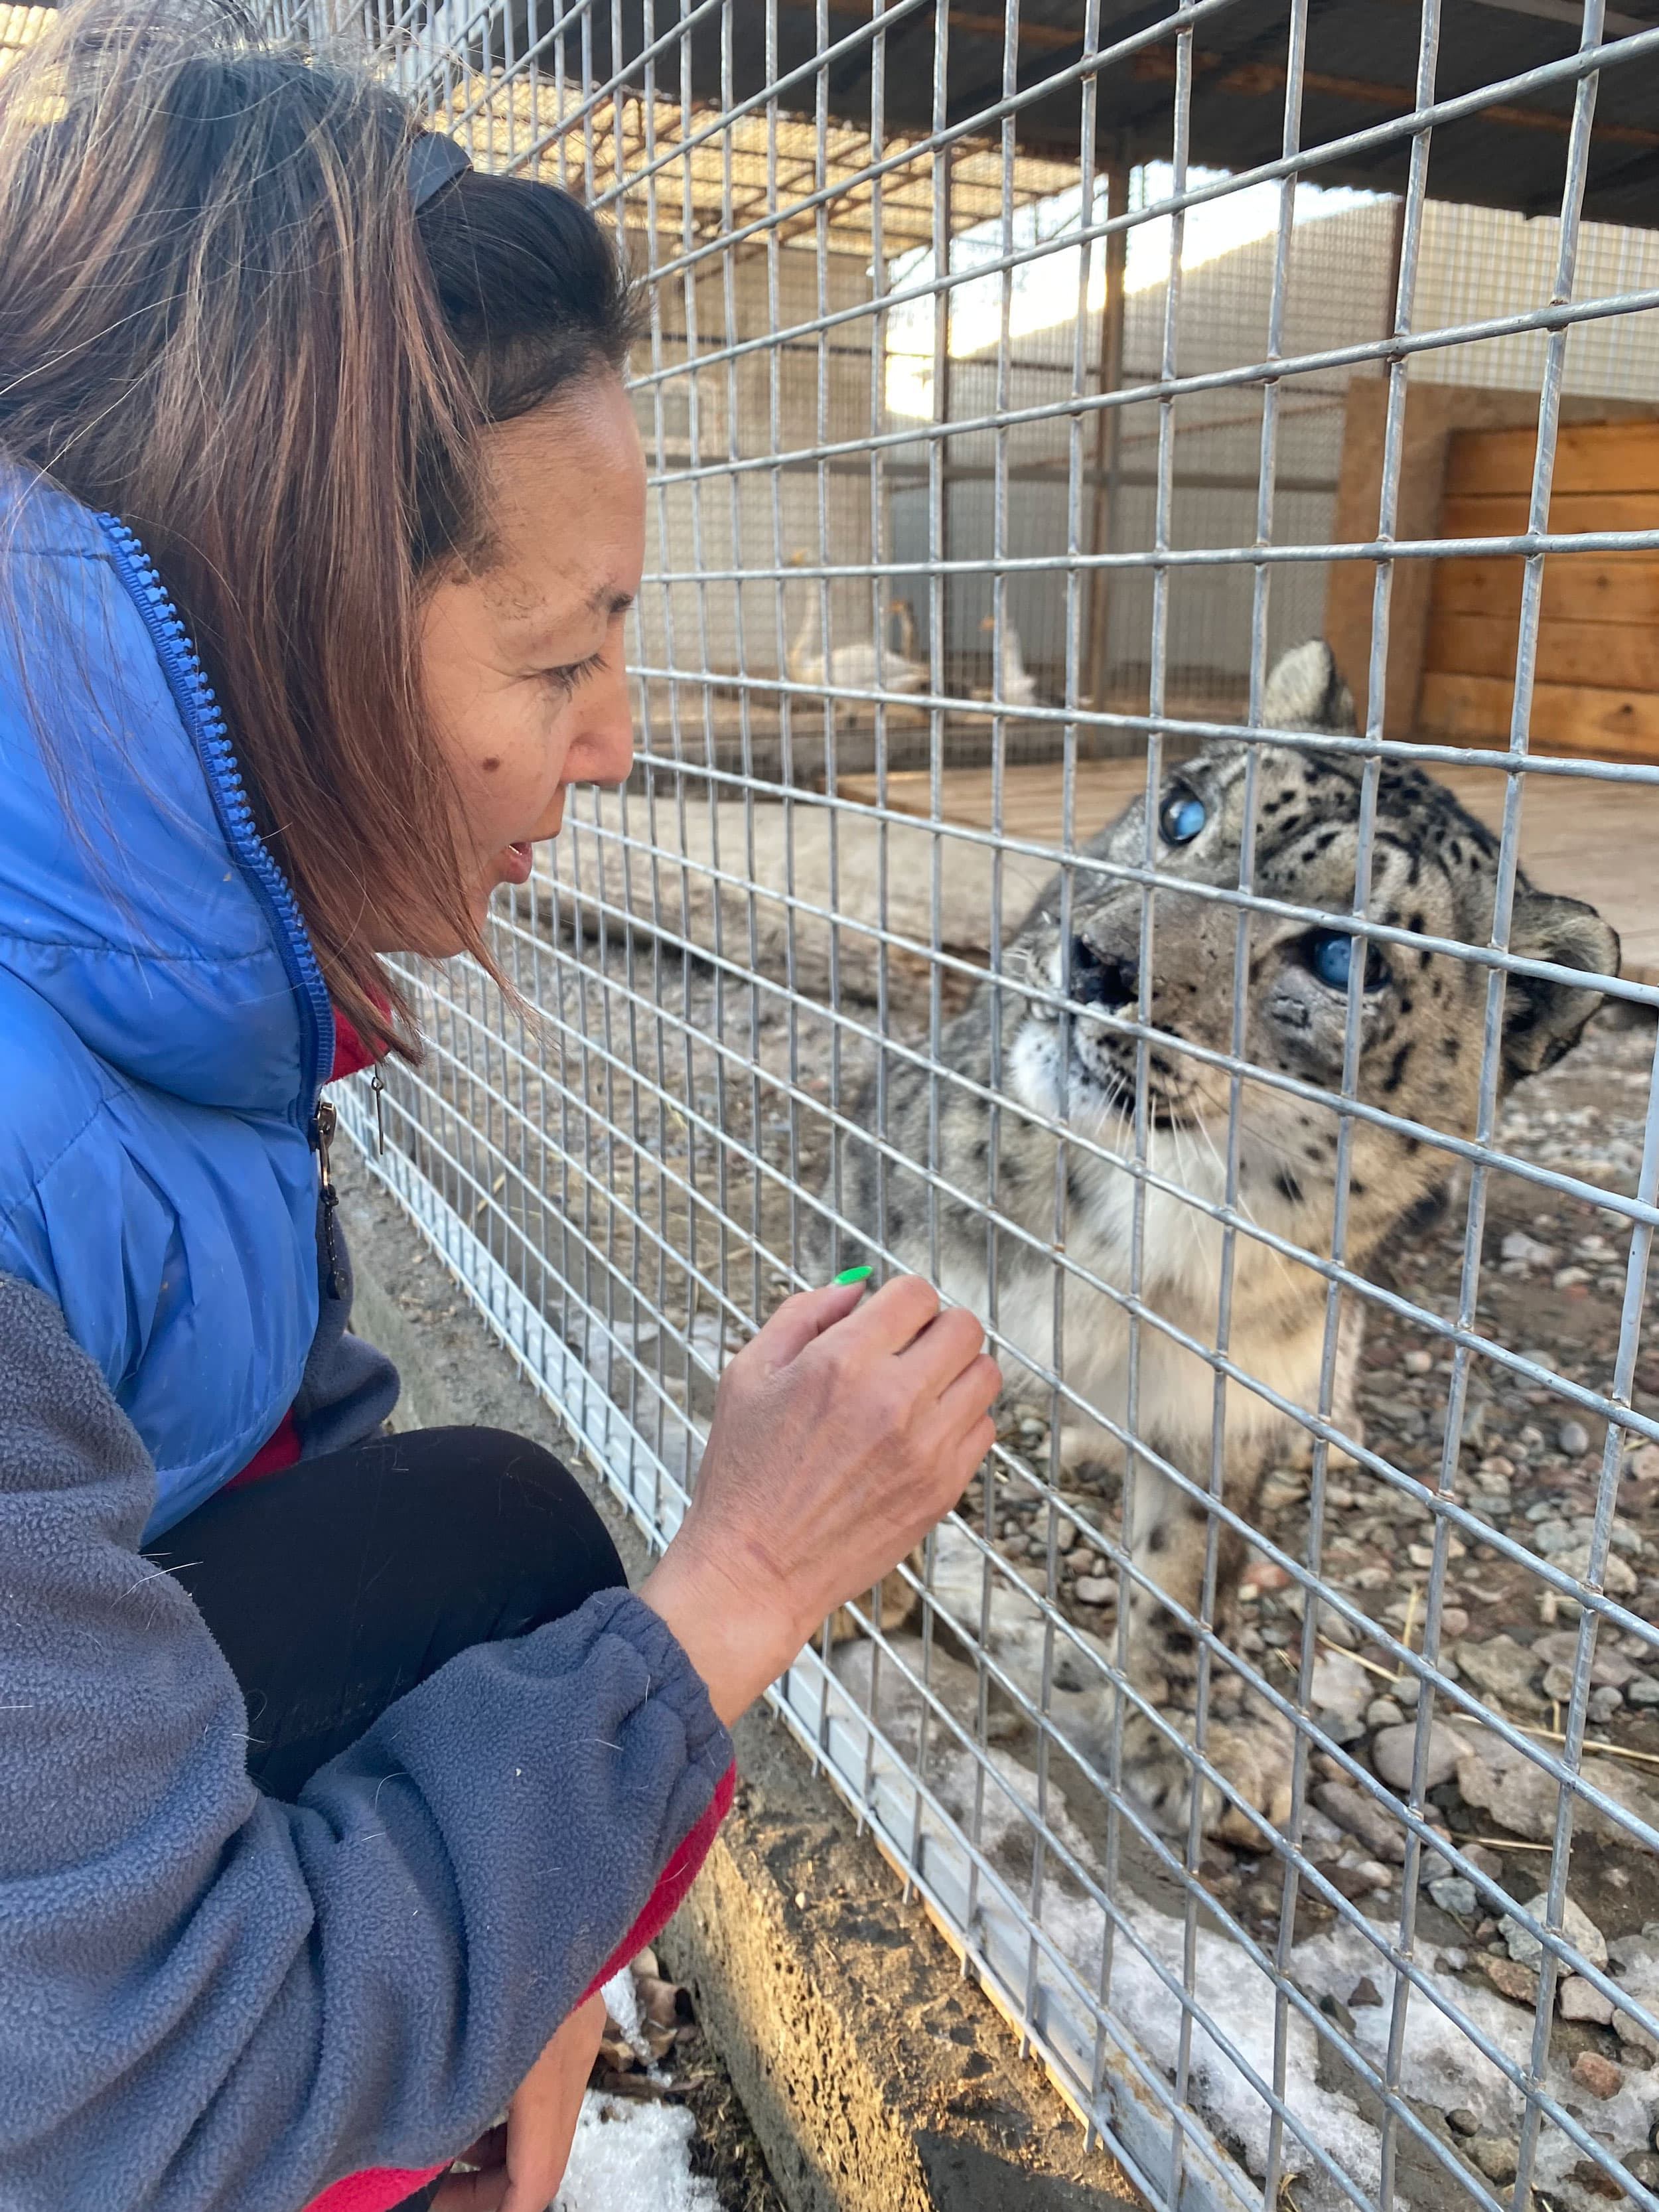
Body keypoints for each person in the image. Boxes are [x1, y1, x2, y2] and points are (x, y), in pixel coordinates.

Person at [0, 7, 1001, 2210]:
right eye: (562, 663)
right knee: (584, 1635)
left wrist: (531, 1950)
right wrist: (743, 1583)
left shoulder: (144, 929)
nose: (615, 742)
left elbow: (275, 1428)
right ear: (305, 617)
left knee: (502, 1554)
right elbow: (115, 2110)